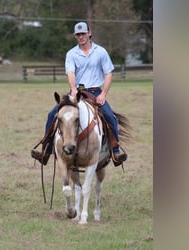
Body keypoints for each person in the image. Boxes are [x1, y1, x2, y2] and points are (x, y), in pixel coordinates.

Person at [31, 21, 127, 166]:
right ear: (75, 36)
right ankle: (46, 151)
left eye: (83, 33)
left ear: (89, 33)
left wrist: (103, 95)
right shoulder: (71, 54)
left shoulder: (101, 52)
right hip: (77, 91)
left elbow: (108, 74)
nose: (81, 36)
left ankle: (115, 151)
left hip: (95, 91)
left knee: (110, 116)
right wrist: (73, 89)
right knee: (52, 115)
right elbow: (70, 73)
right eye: (78, 34)